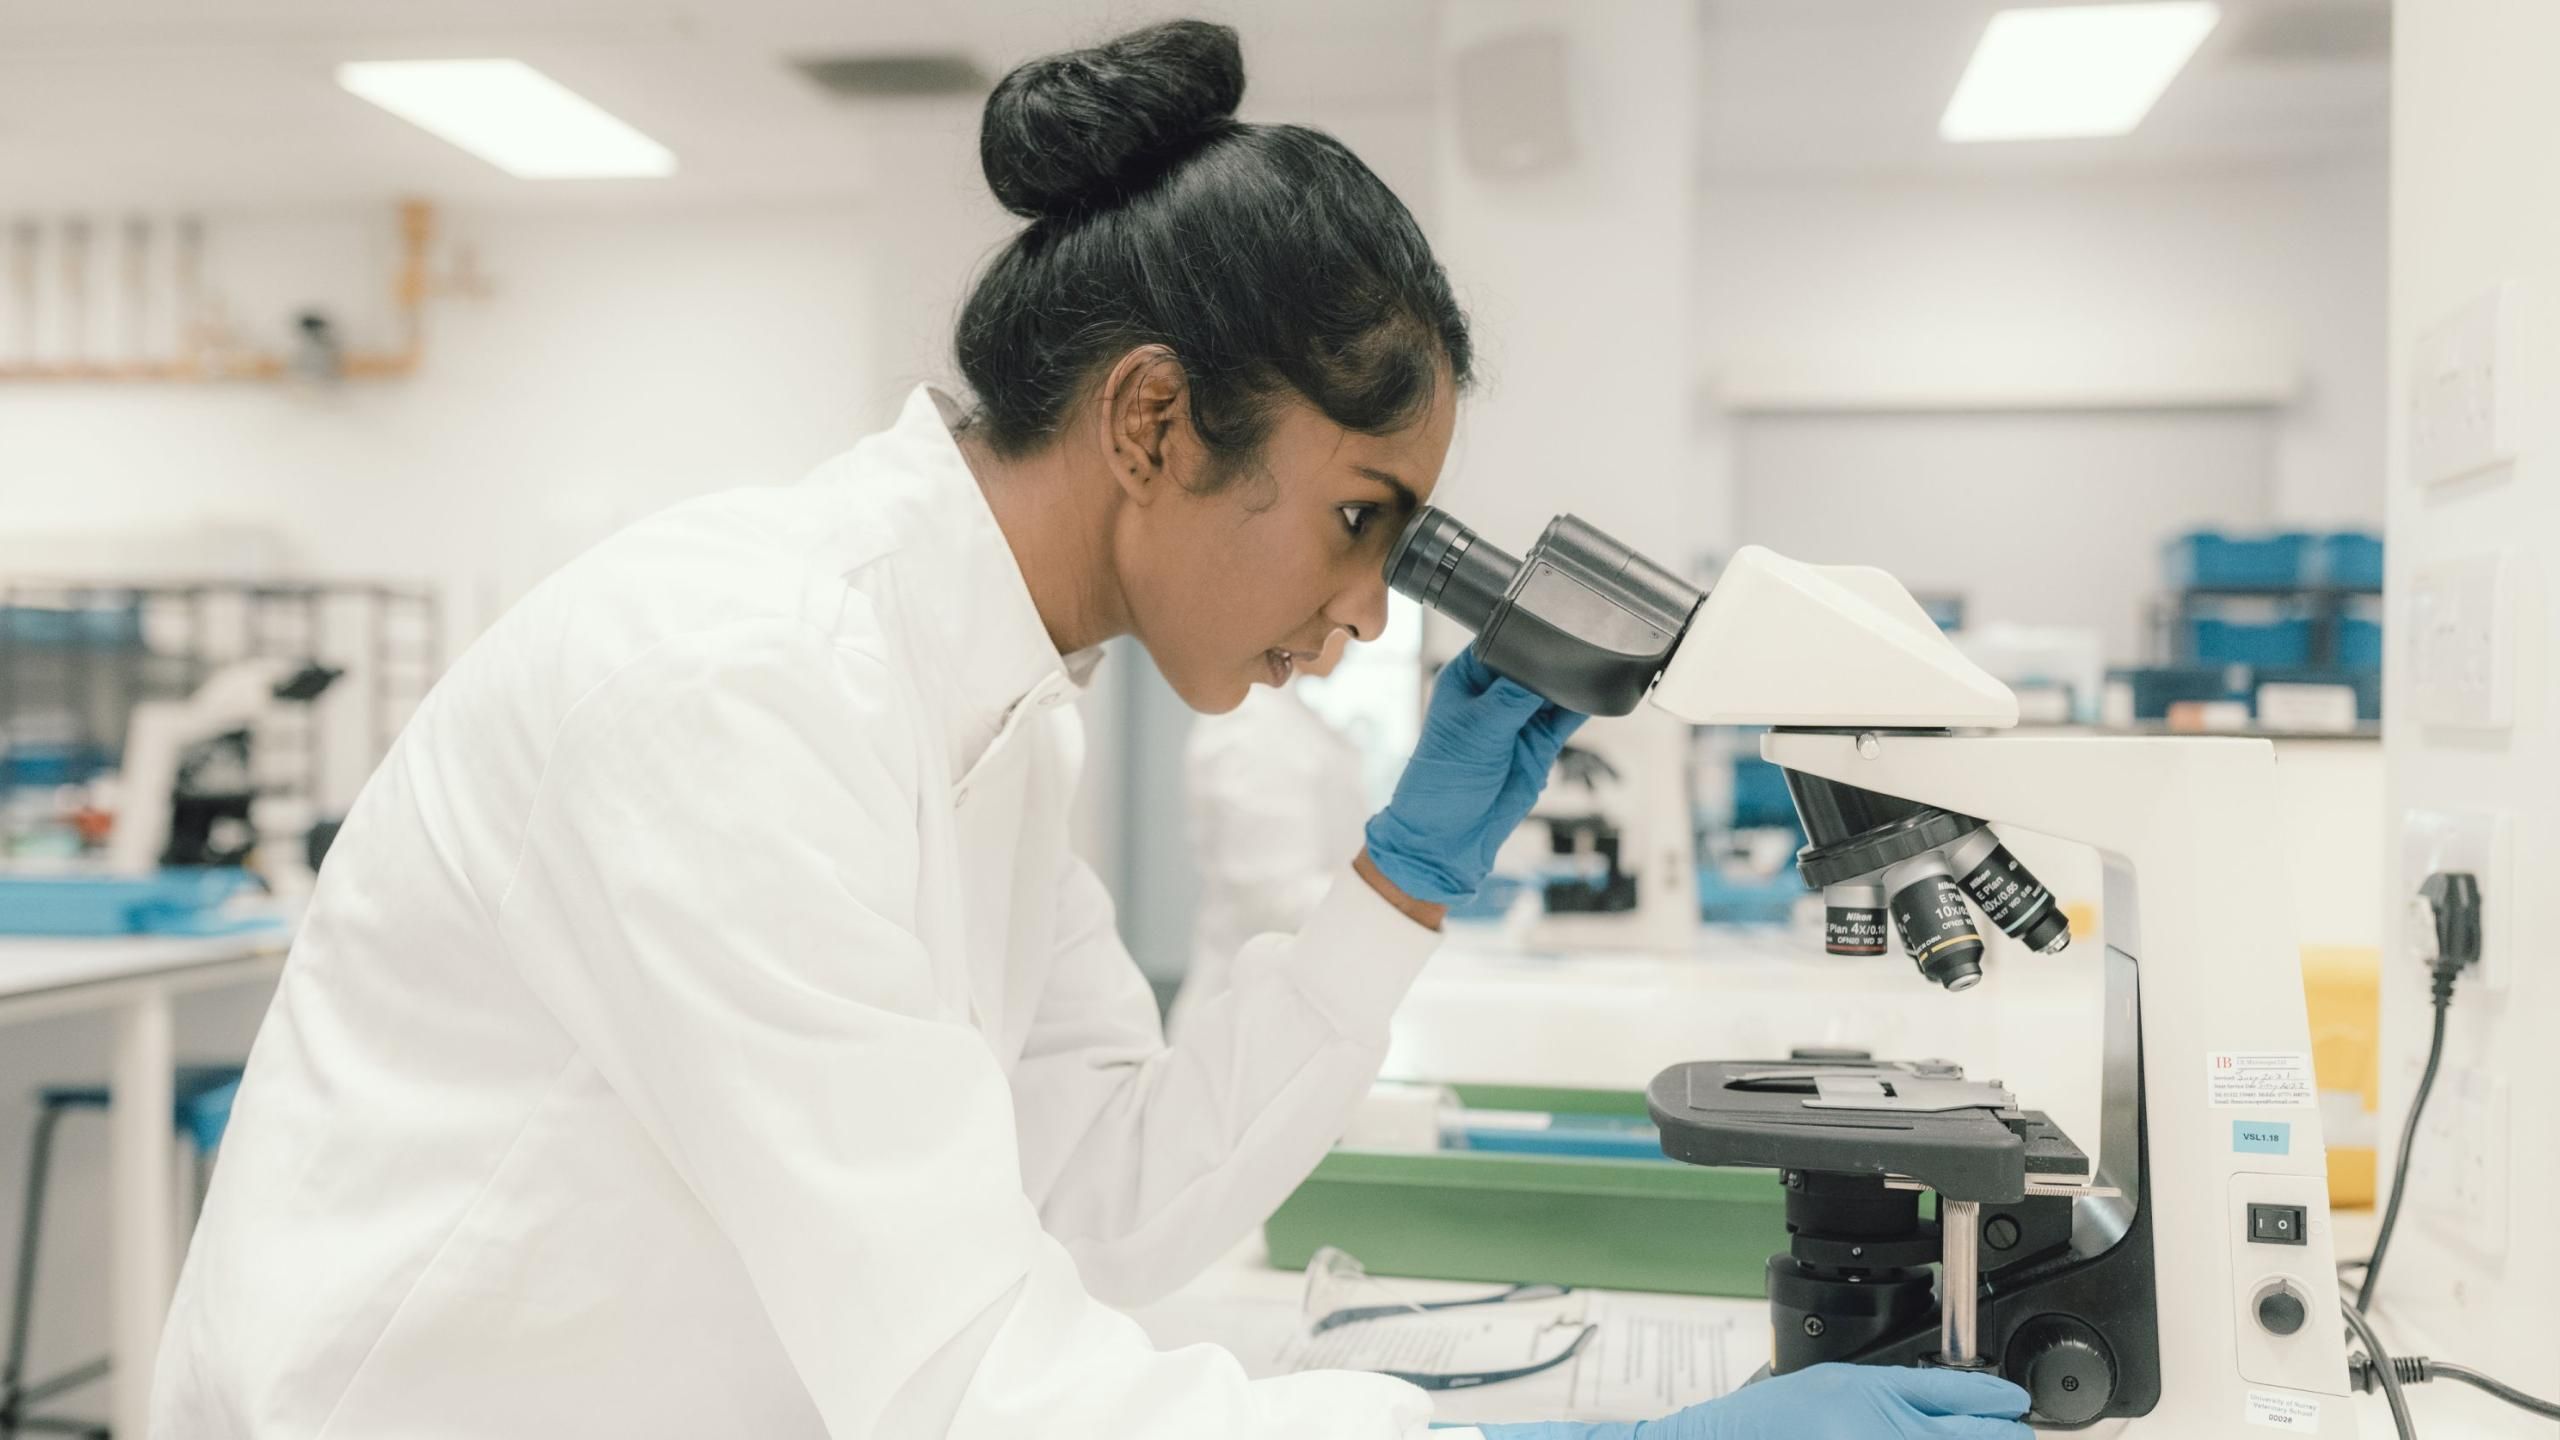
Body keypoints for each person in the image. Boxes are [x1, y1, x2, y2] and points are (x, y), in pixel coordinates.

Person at [152, 20, 2032, 1440]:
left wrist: (1405, 875)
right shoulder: (738, 683)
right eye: (1358, 516)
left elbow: (1099, 1210)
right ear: (1149, 423)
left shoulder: (997, 714)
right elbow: (977, 1377)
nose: (1372, 606)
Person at [1169, 625, 1371, 1041]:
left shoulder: (1285, 717)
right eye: (1346, 623)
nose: (1363, 635)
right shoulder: (1252, 728)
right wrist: (1391, 893)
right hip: (1241, 1018)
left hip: (1285, 1009)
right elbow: (1274, 899)